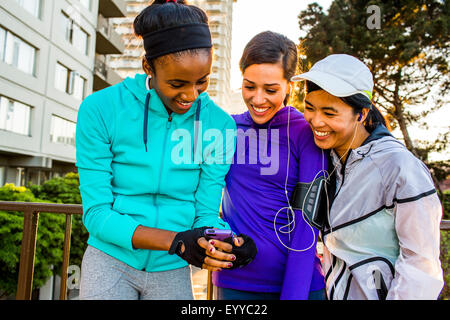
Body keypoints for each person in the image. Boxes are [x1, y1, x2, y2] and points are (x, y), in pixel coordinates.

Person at [76, 0, 255, 300]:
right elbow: (96, 214)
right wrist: (175, 241)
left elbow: (205, 213)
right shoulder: (100, 109)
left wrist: (225, 241)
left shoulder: (219, 126)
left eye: (202, 82)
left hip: (171, 267)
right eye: (177, 83)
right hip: (110, 260)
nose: (190, 95)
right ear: (148, 66)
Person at [291, 54, 444, 300]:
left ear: (361, 114)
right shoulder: (324, 158)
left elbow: (422, 266)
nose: (316, 121)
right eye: (309, 108)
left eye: (329, 113)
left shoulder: (399, 166)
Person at [213, 31, 327, 300]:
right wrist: (219, 232)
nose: (258, 99)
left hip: (298, 287)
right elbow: (201, 196)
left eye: (271, 89)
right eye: (249, 86)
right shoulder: (228, 128)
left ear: (290, 86)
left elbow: (307, 223)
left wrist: (294, 295)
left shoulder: (306, 132)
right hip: (234, 282)